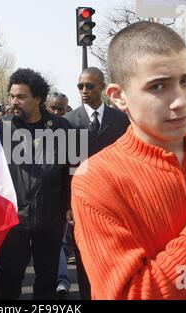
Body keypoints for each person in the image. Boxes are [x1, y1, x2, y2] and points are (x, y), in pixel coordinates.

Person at [72, 21, 186, 299]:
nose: (181, 101)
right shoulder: (96, 182)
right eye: (158, 86)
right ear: (119, 96)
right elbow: (131, 294)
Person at [0, 68, 72, 300]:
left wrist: (70, 204)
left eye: (21, 97)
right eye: (12, 96)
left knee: (47, 279)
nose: (14, 101)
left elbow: (75, 171)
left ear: (38, 98)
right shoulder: (1, 128)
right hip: (13, 221)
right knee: (9, 277)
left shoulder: (63, 128)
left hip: (50, 219)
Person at [64, 67, 130, 299]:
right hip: (82, 202)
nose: (84, 90)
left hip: (117, 201)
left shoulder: (121, 120)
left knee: (116, 258)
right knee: (84, 259)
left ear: (102, 87)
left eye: (90, 86)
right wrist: (68, 204)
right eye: (80, 86)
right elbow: (64, 168)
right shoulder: (68, 122)